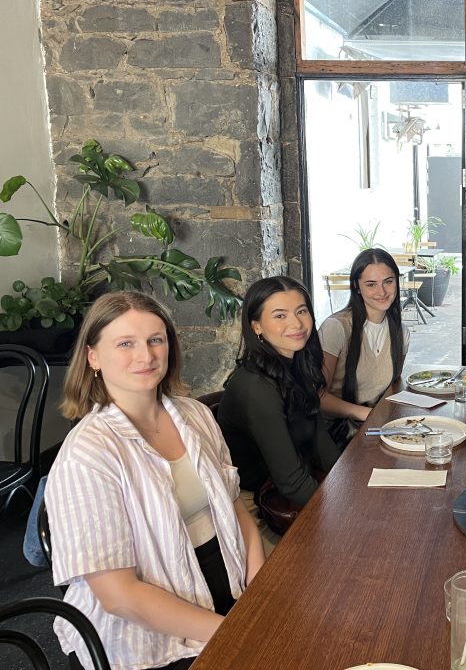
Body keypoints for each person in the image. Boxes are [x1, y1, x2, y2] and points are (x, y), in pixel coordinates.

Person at [46, 292, 264, 670]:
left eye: (155, 340)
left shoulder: (194, 414)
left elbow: (232, 504)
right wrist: (234, 632)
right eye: (125, 343)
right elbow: (120, 597)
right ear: (93, 356)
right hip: (146, 634)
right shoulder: (86, 454)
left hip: (224, 585)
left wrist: (261, 592)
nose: (145, 356)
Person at [218, 276, 340, 523]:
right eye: (280, 315)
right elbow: (291, 483)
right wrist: (346, 514)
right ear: (256, 327)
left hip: (294, 484)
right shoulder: (256, 387)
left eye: (301, 311)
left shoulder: (296, 365)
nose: (296, 323)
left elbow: (320, 442)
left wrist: (349, 486)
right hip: (258, 505)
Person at [319, 248, 410, 440]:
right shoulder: (337, 328)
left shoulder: (401, 333)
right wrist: (367, 414)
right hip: (336, 435)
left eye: (388, 281)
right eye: (371, 284)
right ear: (357, 287)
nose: (382, 291)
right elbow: (318, 397)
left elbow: (392, 388)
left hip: (378, 429)